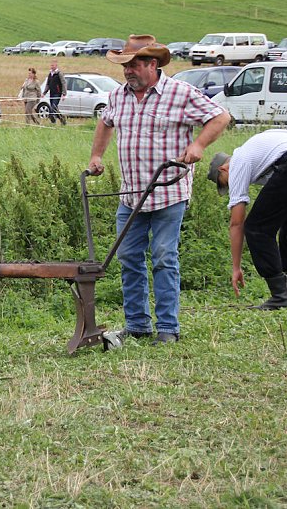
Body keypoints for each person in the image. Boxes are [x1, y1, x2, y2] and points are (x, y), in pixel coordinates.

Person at [88, 34, 230, 344]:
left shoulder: (180, 93)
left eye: (135, 65)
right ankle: (138, 325)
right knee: (128, 257)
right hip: (130, 195)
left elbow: (221, 116)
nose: (128, 71)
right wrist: (97, 156)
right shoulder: (117, 96)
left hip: (169, 192)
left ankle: (168, 329)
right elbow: (105, 123)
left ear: (153, 64)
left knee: (164, 256)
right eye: (125, 66)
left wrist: (198, 145)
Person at [207, 130, 287, 309]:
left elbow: (237, 223)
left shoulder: (238, 162)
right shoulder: (259, 153)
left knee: (257, 228)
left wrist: (236, 267)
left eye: (224, 183)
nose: (228, 186)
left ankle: (280, 297)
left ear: (223, 169)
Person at [41, 60, 67, 125]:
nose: (51, 67)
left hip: (57, 93)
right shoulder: (50, 74)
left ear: (56, 66)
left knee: (52, 108)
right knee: (55, 109)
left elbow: (63, 83)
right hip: (51, 93)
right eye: (51, 65)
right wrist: (44, 93)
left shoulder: (59, 73)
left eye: (53, 65)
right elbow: (48, 84)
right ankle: (63, 120)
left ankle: (53, 122)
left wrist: (64, 94)